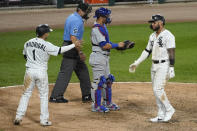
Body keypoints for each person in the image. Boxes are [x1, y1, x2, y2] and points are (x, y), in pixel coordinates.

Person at [14, 24, 81, 126]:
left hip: (29, 72)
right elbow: (59, 50)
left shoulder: (27, 42)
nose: (49, 33)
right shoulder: (46, 45)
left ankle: (18, 117)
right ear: (45, 34)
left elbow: (25, 55)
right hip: (41, 72)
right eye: (48, 32)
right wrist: (73, 45)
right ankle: (44, 120)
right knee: (43, 96)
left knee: (26, 94)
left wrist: (33, 63)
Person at [129, 14, 176, 122]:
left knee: (158, 89)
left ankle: (169, 109)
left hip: (164, 65)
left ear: (161, 23)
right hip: (154, 65)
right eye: (152, 22)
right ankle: (160, 114)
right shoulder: (152, 36)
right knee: (156, 91)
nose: (152, 24)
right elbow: (147, 51)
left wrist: (172, 67)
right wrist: (137, 62)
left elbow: (171, 52)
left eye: (154, 22)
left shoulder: (168, 35)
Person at [49, 1, 93, 103]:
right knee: (65, 73)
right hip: (71, 47)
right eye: (86, 11)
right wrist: (80, 52)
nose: (87, 14)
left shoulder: (72, 16)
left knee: (83, 72)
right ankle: (55, 96)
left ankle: (87, 95)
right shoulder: (77, 20)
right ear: (81, 10)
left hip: (71, 46)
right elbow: (73, 37)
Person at [89, 7, 126, 112]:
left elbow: (107, 44)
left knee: (108, 80)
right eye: (106, 16)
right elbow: (104, 45)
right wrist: (117, 45)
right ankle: (96, 106)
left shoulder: (103, 26)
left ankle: (107, 103)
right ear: (101, 17)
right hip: (98, 57)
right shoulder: (96, 29)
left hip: (104, 57)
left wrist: (118, 46)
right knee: (98, 82)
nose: (108, 18)